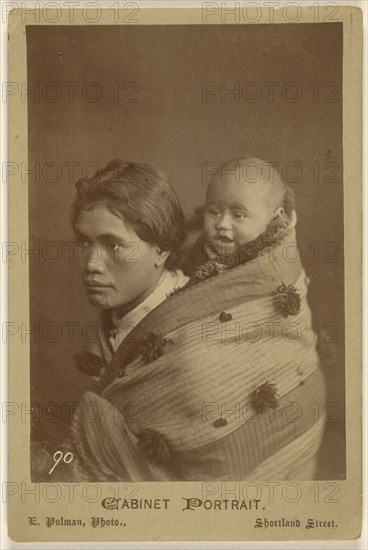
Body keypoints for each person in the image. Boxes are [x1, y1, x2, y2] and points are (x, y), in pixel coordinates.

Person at [71, 157, 326, 482]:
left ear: (161, 250)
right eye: (84, 243)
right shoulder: (113, 320)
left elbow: (225, 456)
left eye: (112, 245)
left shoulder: (194, 338)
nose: (91, 263)